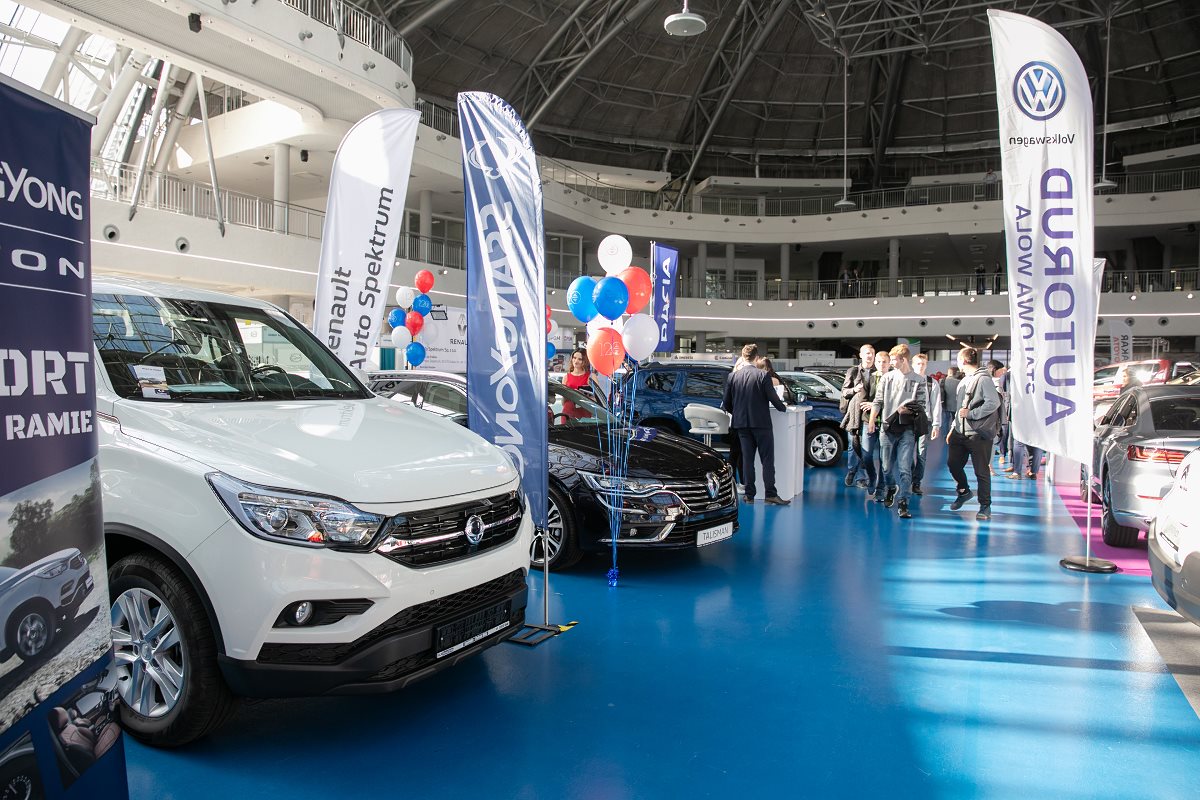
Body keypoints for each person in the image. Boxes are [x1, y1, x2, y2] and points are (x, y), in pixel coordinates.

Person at [723, 344, 789, 505]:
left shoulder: (733, 376)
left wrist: (738, 413)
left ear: (743, 356)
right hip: (761, 423)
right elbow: (773, 398)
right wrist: (783, 408)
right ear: (756, 357)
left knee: (747, 460)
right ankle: (770, 494)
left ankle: (749, 495)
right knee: (767, 460)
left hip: (741, 425)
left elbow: (726, 403)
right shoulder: (763, 375)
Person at [869, 345, 925, 519]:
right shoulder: (887, 378)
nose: (891, 363)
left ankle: (903, 503)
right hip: (887, 427)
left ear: (904, 360)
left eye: (894, 360)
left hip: (907, 429)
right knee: (886, 467)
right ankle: (891, 487)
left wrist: (907, 410)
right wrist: (872, 421)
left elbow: (922, 405)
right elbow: (878, 401)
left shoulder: (919, 380)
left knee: (905, 468)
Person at [947, 347, 1002, 521]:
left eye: (958, 359)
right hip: (959, 432)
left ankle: (985, 506)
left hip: (977, 434)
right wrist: (953, 427)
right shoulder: (964, 380)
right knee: (953, 464)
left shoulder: (984, 379)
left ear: (963, 361)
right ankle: (964, 491)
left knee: (981, 471)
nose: (957, 363)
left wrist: (971, 414)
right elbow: (959, 409)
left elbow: (993, 403)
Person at [841, 344, 876, 487]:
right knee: (853, 444)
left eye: (872, 353)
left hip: (870, 414)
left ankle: (861, 477)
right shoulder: (853, 371)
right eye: (867, 353)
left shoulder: (878, 373)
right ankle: (851, 470)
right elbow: (844, 391)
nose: (870, 356)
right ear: (860, 355)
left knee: (865, 448)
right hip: (854, 413)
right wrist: (855, 389)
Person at [909, 353, 943, 496]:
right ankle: (910, 476)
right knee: (907, 453)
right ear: (912, 365)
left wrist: (936, 425)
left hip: (925, 422)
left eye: (923, 364)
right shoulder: (907, 380)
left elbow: (936, 404)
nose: (921, 366)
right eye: (918, 363)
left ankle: (917, 482)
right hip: (908, 422)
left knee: (921, 453)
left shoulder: (932, 383)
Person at [941, 367, 961, 433]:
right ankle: (953, 434)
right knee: (955, 422)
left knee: (945, 421)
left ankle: (945, 435)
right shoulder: (959, 382)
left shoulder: (942, 381)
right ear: (956, 373)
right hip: (955, 405)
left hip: (945, 404)